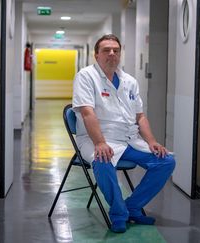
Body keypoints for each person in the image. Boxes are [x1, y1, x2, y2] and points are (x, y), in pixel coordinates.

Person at [72, 34, 176, 233]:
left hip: (129, 140)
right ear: (96, 55)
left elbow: (140, 117)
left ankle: (133, 207)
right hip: (96, 138)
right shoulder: (86, 76)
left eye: (116, 50)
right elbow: (87, 113)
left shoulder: (129, 81)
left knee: (165, 161)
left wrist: (152, 141)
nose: (112, 53)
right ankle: (119, 213)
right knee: (103, 159)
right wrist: (100, 142)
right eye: (106, 50)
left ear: (120, 54)